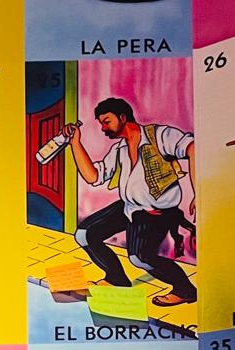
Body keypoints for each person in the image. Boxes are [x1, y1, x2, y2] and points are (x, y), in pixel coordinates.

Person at [66, 97, 198, 307]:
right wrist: (75, 143)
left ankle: (186, 290)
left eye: (106, 122)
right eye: (101, 123)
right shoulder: (119, 149)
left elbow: (192, 148)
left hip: (155, 212)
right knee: (85, 234)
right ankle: (116, 280)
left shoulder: (159, 136)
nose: (103, 128)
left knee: (139, 258)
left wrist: (198, 191)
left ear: (122, 117)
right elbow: (93, 177)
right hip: (129, 206)